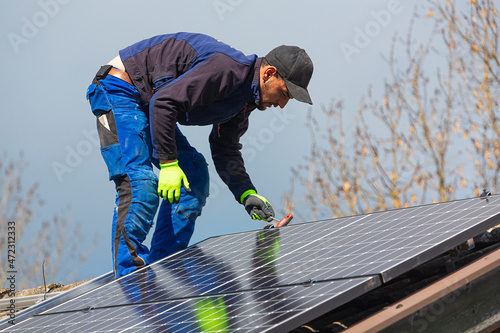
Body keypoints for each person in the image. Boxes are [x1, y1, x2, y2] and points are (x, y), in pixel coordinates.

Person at [86, 32, 313, 278]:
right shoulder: (227, 71)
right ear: (269, 74)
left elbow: (225, 148)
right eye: (285, 93)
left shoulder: (243, 103)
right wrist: (169, 165)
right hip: (121, 88)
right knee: (141, 183)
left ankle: (162, 265)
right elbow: (164, 103)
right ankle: (130, 280)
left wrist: (246, 192)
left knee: (194, 174)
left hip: (150, 102)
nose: (282, 104)